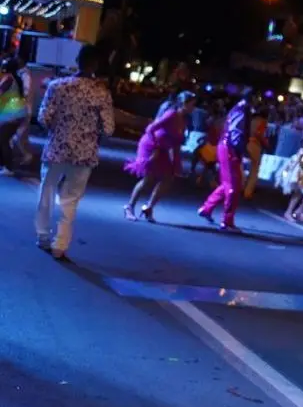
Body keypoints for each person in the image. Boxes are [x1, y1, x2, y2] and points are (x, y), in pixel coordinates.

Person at [35, 44, 115, 260]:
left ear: (77, 61)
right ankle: (60, 245)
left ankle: (43, 236)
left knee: (47, 191)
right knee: (70, 199)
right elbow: (109, 129)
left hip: (56, 149)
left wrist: (59, 128)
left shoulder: (57, 86)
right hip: (84, 154)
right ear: (95, 65)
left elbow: (43, 118)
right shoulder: (101, 93)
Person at [124, 90, 195, 222]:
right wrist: (155, 148)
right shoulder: (172, 114)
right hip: (151, 145)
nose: (193, 107)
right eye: (191, 104)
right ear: (183, 104)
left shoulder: (184, 120)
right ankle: (129, 207)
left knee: (168, 178)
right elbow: (150, 129)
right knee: (149, 178)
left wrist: (177, 164)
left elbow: (176, 144)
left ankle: (149, 207)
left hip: (163, 148)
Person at [198, 94, 253, 230]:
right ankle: (227, 220)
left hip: (226, 147)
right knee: (233, 186)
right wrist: (242, 151)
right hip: (230, 149)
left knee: (227, 183)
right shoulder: (242, 110)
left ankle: (207, 208)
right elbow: (237, 132)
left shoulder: (238, 109)